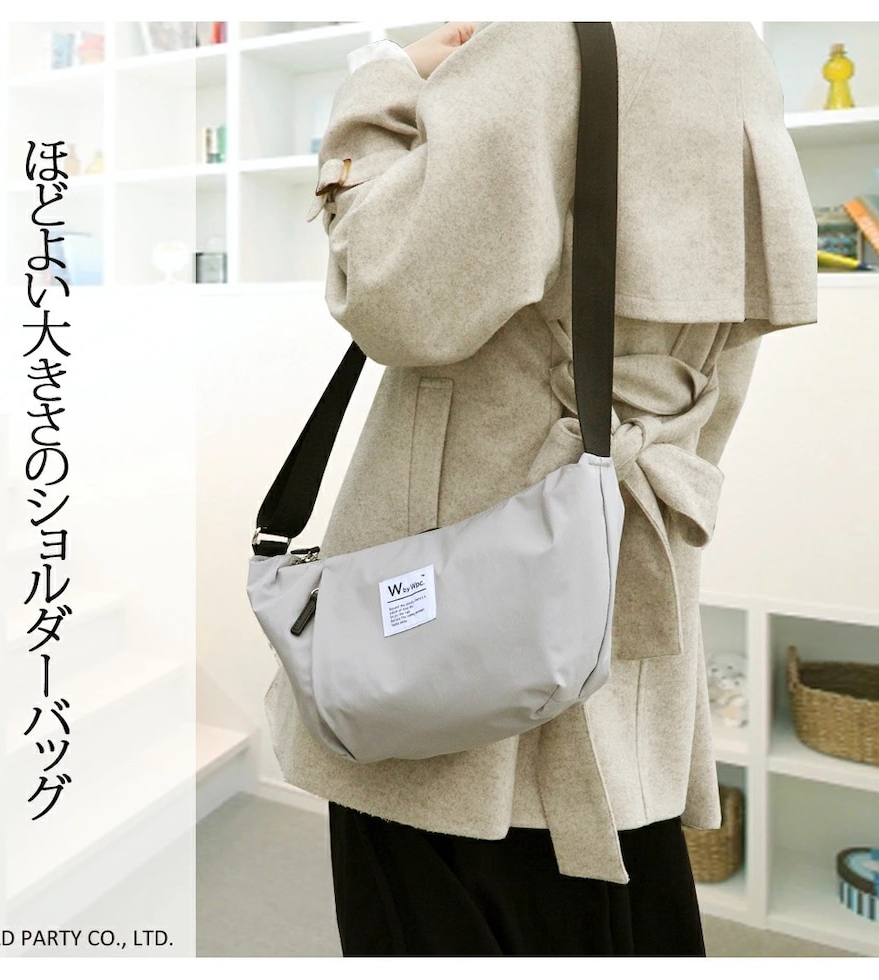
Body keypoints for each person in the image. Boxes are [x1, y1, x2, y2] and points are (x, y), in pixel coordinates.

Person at [264, 22, 817, 955]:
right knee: (615, 902)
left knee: (442, 902)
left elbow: (390, 295)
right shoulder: (734, 57)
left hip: (449, 646)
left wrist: (381, 81)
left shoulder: (539, 48)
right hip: (625, 588)